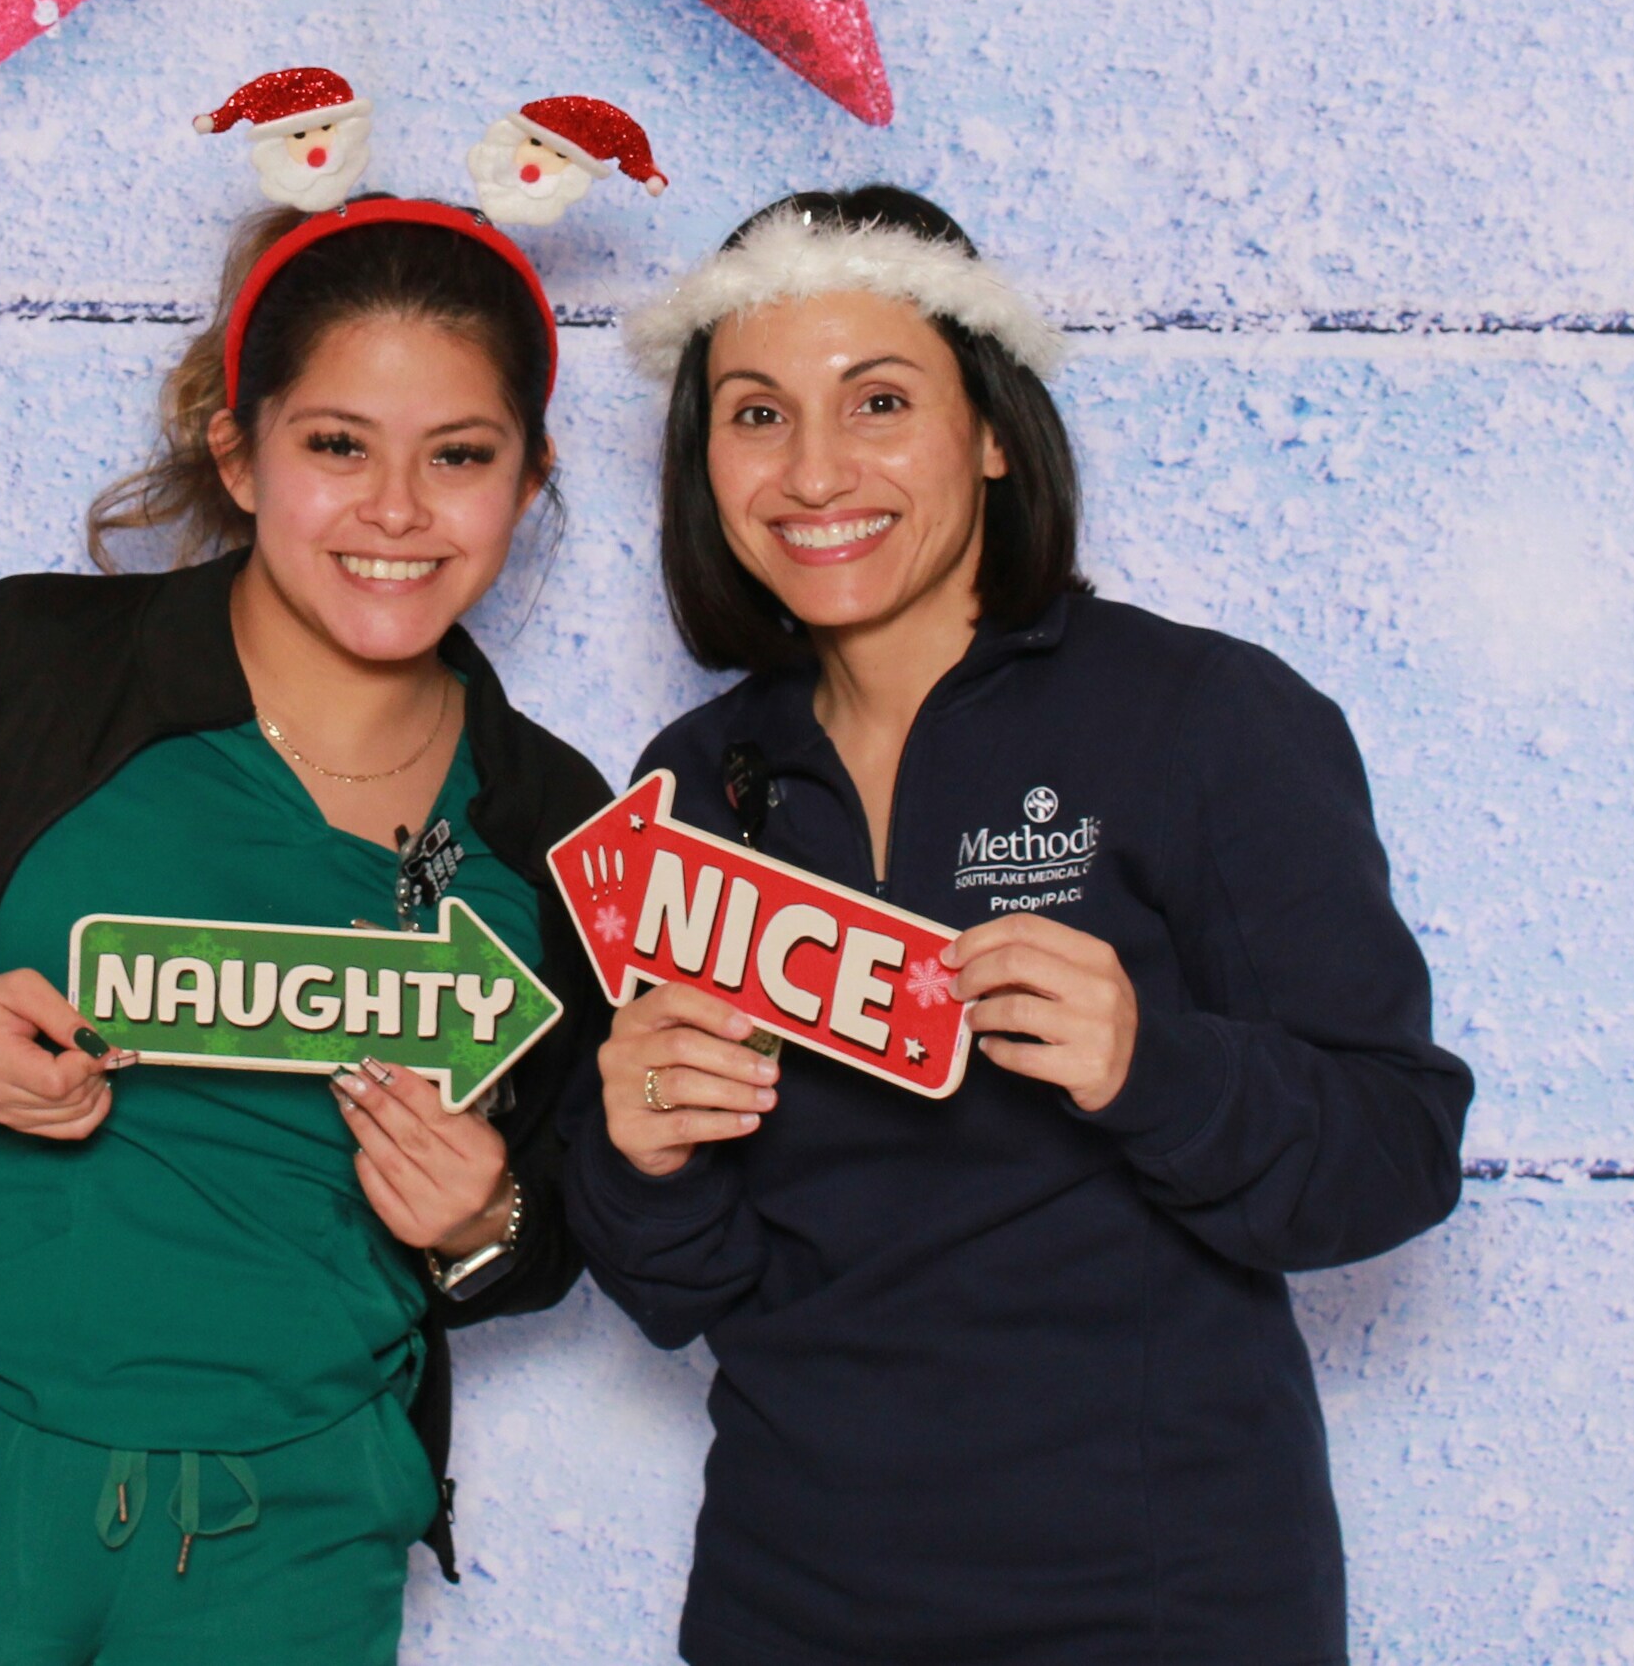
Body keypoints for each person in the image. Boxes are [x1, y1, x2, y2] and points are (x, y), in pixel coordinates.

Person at [0, 184, 613, 1666]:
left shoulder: (551, 817)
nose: (397, 508)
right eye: (338, 446)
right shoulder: (28, 664)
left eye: (459, 455)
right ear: (240, 453)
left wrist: (486, 1221)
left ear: (529, 478)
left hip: (301, 1510)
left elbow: (575, 1209)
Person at [570, 186, 1473, 1666]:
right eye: (756, 415)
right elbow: (686, 1289)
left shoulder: (1201, 717)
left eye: (879, 401)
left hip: (1152, 1607)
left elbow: (1398, 1154)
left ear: (992, 431)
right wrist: (640, 1157)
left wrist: (1152, 1066)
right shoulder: (693, 783)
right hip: (787, 1603)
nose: (814, 470)